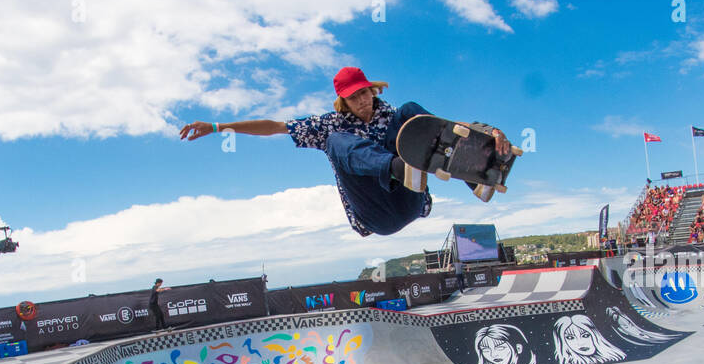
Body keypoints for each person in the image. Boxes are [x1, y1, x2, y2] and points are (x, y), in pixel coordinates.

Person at [179, 66, 511, 237]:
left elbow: (444, 126)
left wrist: (488, 132)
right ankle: (398, 167)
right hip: (375, 212)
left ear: (372, 89)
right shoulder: (328, 124)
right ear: (343, 100)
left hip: (412, 199)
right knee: (336, 140)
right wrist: (219, 127)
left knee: (413, 111)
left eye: (366, 93)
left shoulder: (390, 112)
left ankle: (479, 174)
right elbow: (275, 126)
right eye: (355, 97)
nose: (364, 101)